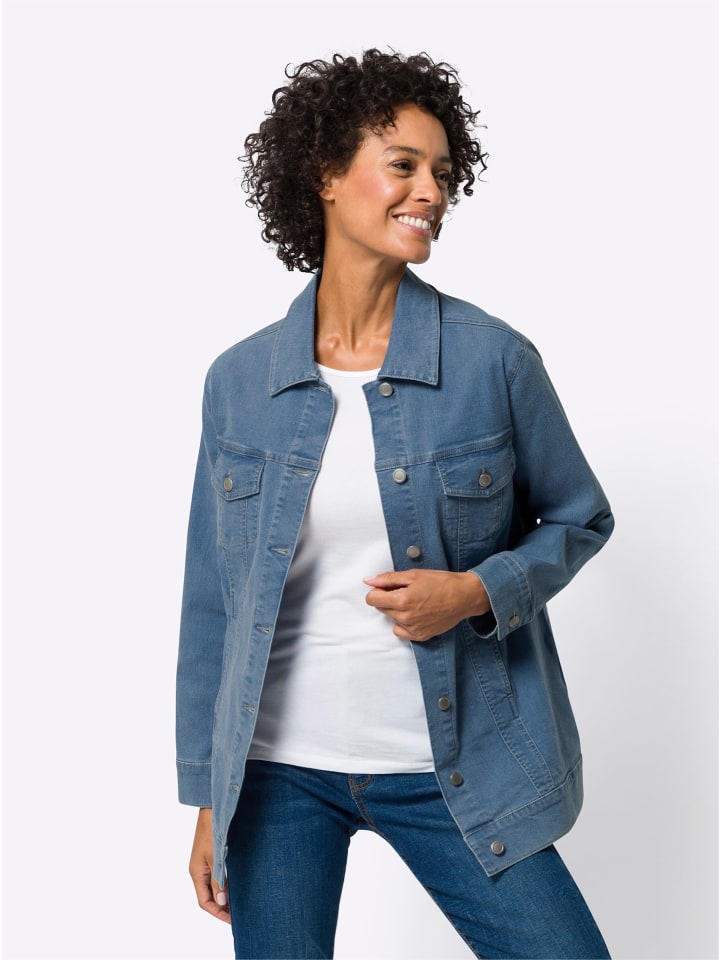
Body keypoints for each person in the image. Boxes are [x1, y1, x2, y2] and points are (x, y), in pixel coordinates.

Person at [176, 49, 614, 960]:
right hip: (279, 773)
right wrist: (211, 795)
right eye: (403, 164)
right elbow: (213, 601)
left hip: (453, 767)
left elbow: (580, 517)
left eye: (443, 173)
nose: (431, 193)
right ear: (327, 176)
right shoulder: (240, 382)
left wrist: (477, 592)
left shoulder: (492, 360)